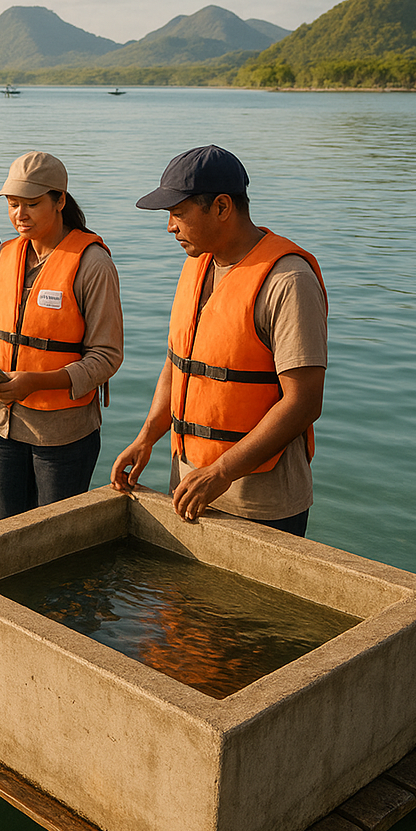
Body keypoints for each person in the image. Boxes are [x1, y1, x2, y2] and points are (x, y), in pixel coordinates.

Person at [110, 145, 328, 537]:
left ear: (223, 207)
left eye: (178, 213)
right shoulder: (198, 264)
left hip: (261, 499)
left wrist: (222, 471)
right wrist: (147, 438)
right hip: (191, 482)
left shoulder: (287, 281)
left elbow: (303, 401)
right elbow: (178, 363)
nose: (170, 226)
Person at [0, 152, 123, 521]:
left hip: (62, 436)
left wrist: (35, 382)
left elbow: (107, 356)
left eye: (32, 204)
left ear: (60, 200)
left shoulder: (93, 264)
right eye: (13, 204)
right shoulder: (4, 255)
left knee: (54, 543)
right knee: (4, 534)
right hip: (0, 426)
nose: (20, 214)